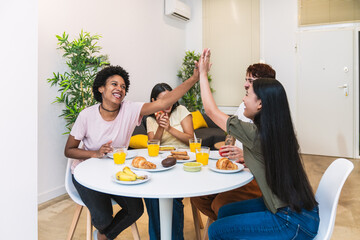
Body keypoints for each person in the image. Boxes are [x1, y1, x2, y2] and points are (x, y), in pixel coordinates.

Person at [64, 65, 199, 240]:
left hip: (115, 170)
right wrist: (95, 153)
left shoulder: (130, 109)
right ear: (101, 88)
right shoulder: (86, 116)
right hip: (86, 173)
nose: (119, 89)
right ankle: (105, 231)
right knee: (103, 218)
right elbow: (69, 150)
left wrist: (194, 78)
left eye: (123, 86)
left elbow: (164, 102)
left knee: (136, 209)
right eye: (114, 84)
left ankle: (103, 236)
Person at [198, 49, 319, 239]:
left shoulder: (255, 134)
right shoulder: (278, 129)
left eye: (248, 93)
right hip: (302, 212)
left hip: (292, 221)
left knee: (216, 230)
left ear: (260, 104)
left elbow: (211, 111)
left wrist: (203, 74)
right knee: (224, 212)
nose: (244, 98)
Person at [190, 63, 276, 221]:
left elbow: (211, 111)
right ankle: (227, 224)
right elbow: (231, 131)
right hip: (234, 166)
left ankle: (227, 224)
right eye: (246, 79)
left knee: (221, 205)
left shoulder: (265, 125)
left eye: (250, 81)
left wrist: (203, 74)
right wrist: (228, 150)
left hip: (253, 175)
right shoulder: (246, 107)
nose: (245, 86)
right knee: (198, 196)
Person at [144, 83, 194, 240]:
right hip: (161, 162)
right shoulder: (150, 119)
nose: (168, 102)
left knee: (172, 197)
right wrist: (160, 127)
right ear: (154, 100)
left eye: (171, 97)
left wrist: (170, 128)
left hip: (182, 161)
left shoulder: (181, 111)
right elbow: (153, 145)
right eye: (164, 99)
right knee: (151, 197)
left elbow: (192, 140)